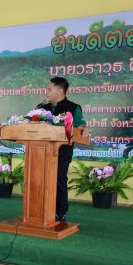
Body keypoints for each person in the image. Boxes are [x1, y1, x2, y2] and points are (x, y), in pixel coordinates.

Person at [39, 77, 86, 222]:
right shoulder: (42, 108)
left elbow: (80, 127)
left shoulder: (73, 107)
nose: (46, 91)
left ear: (60, 91)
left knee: (58, 179)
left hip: (62, 151)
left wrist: (84, 129)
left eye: (49, 89)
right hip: (40, 151)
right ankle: (40, 210)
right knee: (40, 178)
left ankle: (60, 212)